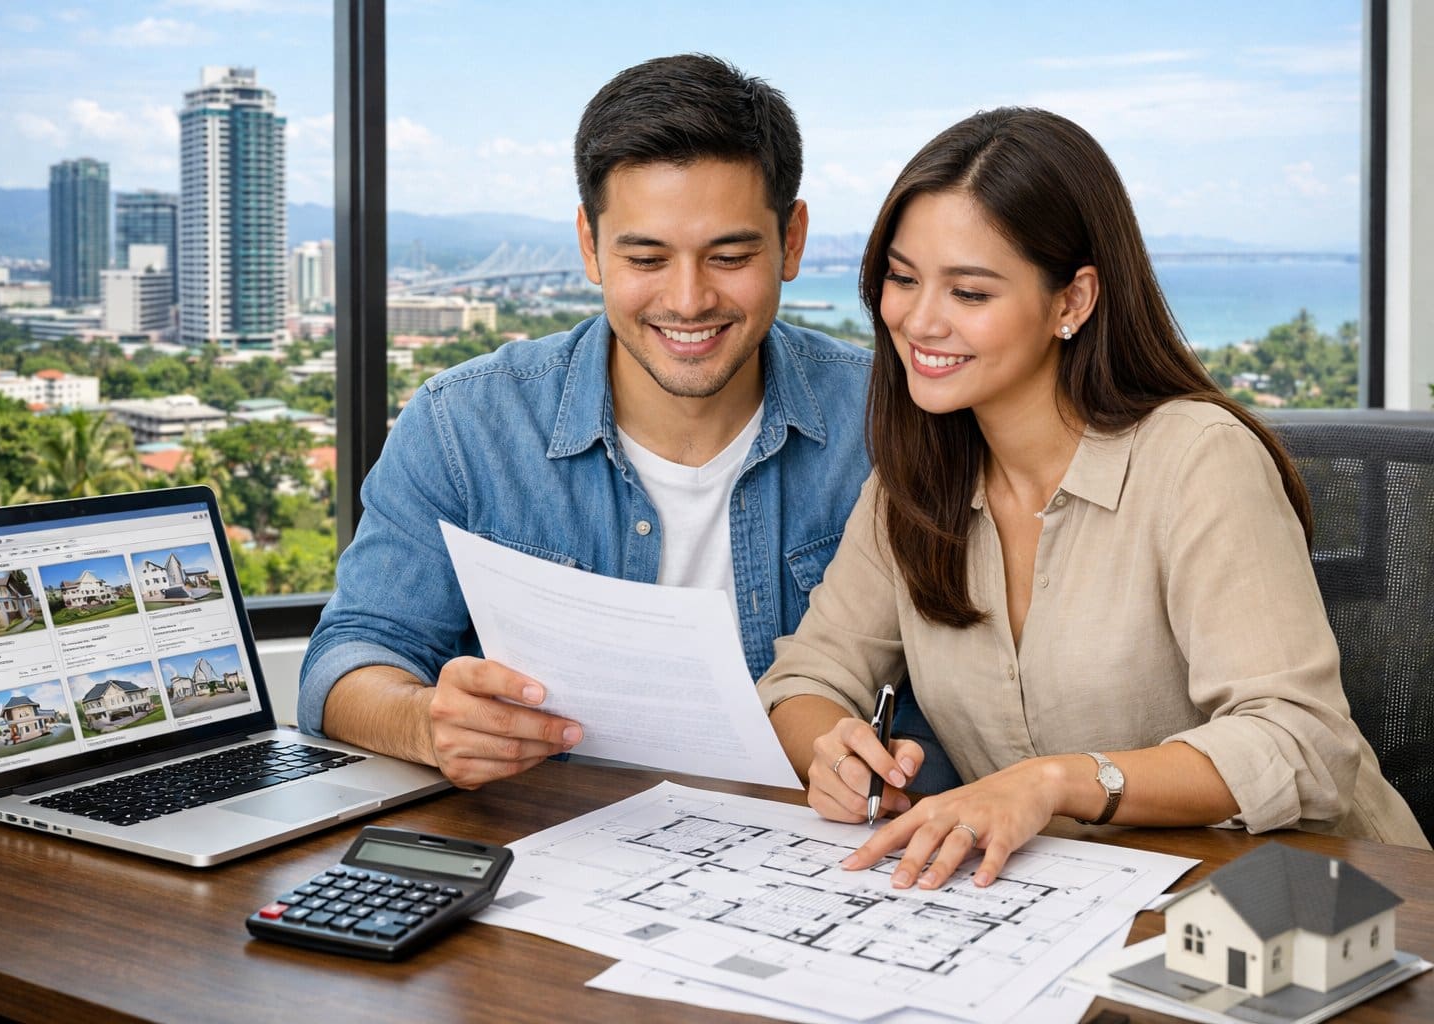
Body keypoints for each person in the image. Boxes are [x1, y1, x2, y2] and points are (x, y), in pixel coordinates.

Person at [758, 107, 1430, 893]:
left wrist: (1054, 783)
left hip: (1317, 902)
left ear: (1072, 301)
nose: (917, 319)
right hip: (1079, 907)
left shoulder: (1196, 460)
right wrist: (833, 754)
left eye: (969, 291)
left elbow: (1299, 741)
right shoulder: (915, 478)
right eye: (902, 278)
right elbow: (809, 677)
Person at [297, 53, 956, 791]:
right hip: (555, 861)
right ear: (589, 245)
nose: (688, 300)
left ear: (792, 241)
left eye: (730, 255)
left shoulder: (894, 424)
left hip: (834, 867)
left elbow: (966, 705)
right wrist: (426, 721)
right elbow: (346, 660)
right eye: (645, 256)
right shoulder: (465, 426)